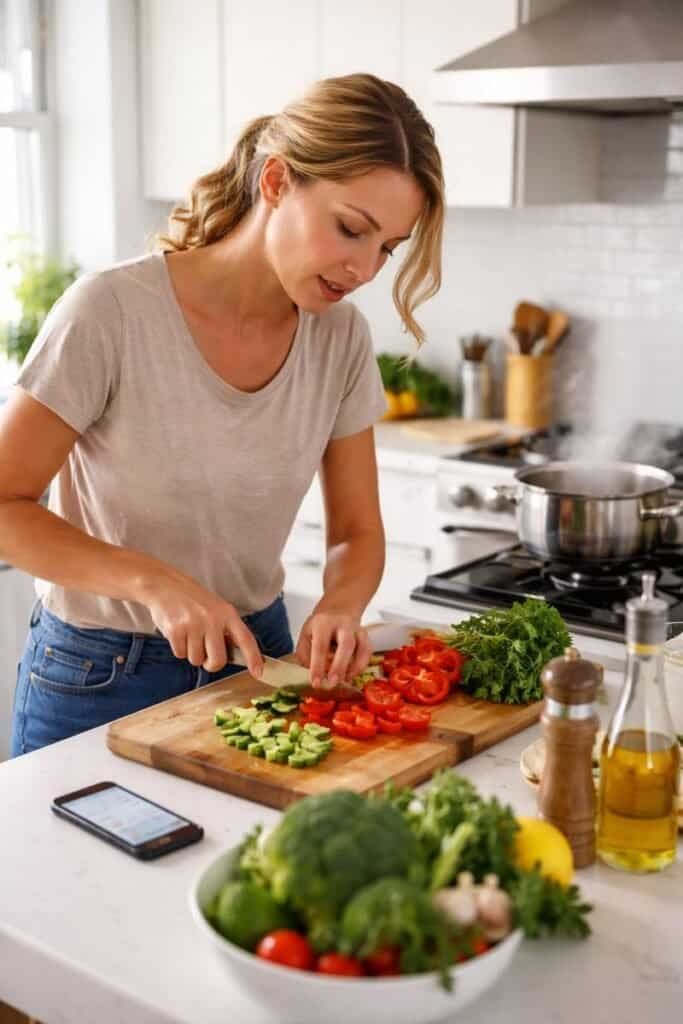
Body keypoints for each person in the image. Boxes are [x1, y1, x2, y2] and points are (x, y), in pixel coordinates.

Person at [4, 73, 444, 756]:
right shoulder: (111, 311)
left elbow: (357, 531)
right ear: (275, 183)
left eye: (386, 248)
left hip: (258, 659)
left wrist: (339, 604)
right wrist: (154, 583)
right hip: (98, 674)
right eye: (350, 229)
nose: (363, 268)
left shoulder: (340, 338)